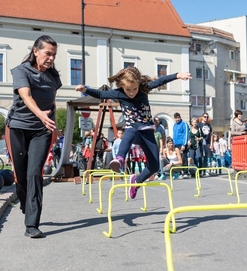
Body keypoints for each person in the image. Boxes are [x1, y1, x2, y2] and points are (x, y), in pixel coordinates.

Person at [75, 67, 192, 199]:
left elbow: (160, 81)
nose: (131, 93)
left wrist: (178, 75)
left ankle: (136, 182)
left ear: (138, 85)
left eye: (134, 89)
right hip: (134, 131)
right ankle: (119, 158)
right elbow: (101, 94)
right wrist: (85, 89)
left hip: (147, 132)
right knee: (130, 129)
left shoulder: (144, 88)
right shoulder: (118, 93)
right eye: (128, 90)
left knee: (154, 166)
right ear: (122, 87)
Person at [5, 35, 62, 238]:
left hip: (42, 131)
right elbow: (26, 95)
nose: (51, 58)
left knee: (34, 174)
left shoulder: (54, 77)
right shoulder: (22, 71)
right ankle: (25, 202)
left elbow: (52, 102)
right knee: (21, 177)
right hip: (18, 128)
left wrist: (51, 124)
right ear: (36, 51)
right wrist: (41, 115)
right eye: (48, 53)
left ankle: (32, 224)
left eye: (54, 55)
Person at [173, 112, 190, 178]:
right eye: (176, 118)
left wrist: (184, 144)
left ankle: (185, 172)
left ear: (180, 117)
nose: (177, 119)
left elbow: (186, 134)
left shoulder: (184, 124)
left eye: (178, 118)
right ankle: (179, 172)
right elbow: (174, 135)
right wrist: (173, 144)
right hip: (176, 145)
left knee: (184, 158)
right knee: (178, 159)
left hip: (182, 144)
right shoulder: (175, 125)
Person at [198, 113, 213, 177]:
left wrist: (211, 144)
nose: (206, 118)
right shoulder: (199, 125)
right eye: (205, 117)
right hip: (200, 143)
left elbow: (211, 135)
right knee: (200, 157)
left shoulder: (209, 125)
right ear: (202, 117)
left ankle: (204, 171)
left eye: (207, 117)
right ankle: (200, 171)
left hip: (207, 143)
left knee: (206, 158)